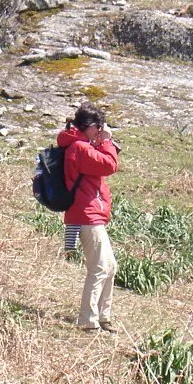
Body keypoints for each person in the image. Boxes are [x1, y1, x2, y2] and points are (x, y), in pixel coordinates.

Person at [56, 102, 120, 333]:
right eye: (99, 127)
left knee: (110, 266)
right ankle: (88, 320)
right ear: (91, 126)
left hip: (88, 214)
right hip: (87, 215)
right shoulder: (80, 148)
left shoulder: (78, 145)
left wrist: (100, 142)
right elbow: (109, 165)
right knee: (100, 268)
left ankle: (103, 316)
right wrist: (107, 141)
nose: (101, 130)